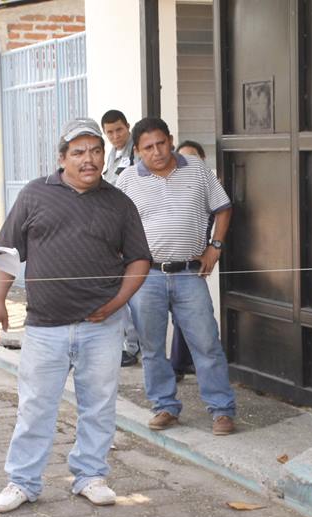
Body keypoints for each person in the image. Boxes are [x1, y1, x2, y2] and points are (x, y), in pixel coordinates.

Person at [0, 117, 151, 513]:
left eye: (95, 151)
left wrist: (116, 304)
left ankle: (90, 476)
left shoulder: (118, 202)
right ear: (62, 159)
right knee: (36, 406)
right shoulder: (34, 195)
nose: (89, 159)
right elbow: (6, 255)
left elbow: (139, 260)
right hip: (45, 327)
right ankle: (23, 481)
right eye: (78, 152)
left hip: (103, 326)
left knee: (99, 403)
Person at [116, 118, 237, 436]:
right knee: (152, 347)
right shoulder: (127, 180)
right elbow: (114, 225)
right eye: (148, 148)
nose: (156, 152)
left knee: (207, 343)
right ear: (138, 151)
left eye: (161, 143)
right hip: (147, 276)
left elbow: (223, 207)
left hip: (189, 273)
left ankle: (222, 410)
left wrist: (215, 248)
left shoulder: (196, 169)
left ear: (170, 140)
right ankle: (165, 406)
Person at [102, 109, 143, 368]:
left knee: (132, 292)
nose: (116, 136)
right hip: (114, 230)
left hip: (133, 230)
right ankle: (128, 344)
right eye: (110, 132)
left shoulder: (136, 152)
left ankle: (132, 345)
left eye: (119, 130)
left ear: (127, 127)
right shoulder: (111, 154)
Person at [170, 140, 208, 382]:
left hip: (199, 264)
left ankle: (182, 364)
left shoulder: (208, 187)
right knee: (180, 318)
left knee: (202, 329)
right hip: (172, 266)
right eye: (182, 158)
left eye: (193, 158)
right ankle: (178, 365)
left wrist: (212, 250)